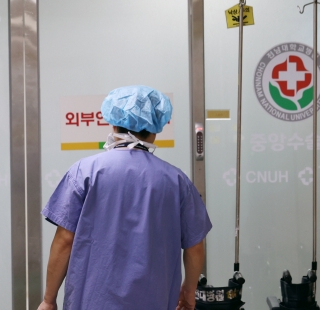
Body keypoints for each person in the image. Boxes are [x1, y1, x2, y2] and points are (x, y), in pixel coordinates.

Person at [37, 85, 212, 310]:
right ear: (156, 127)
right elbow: (195, 246)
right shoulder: (176, 181)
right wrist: (188, 292)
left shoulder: (85, 172)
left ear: (113, 122)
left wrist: (49, 300)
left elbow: (64, 241)